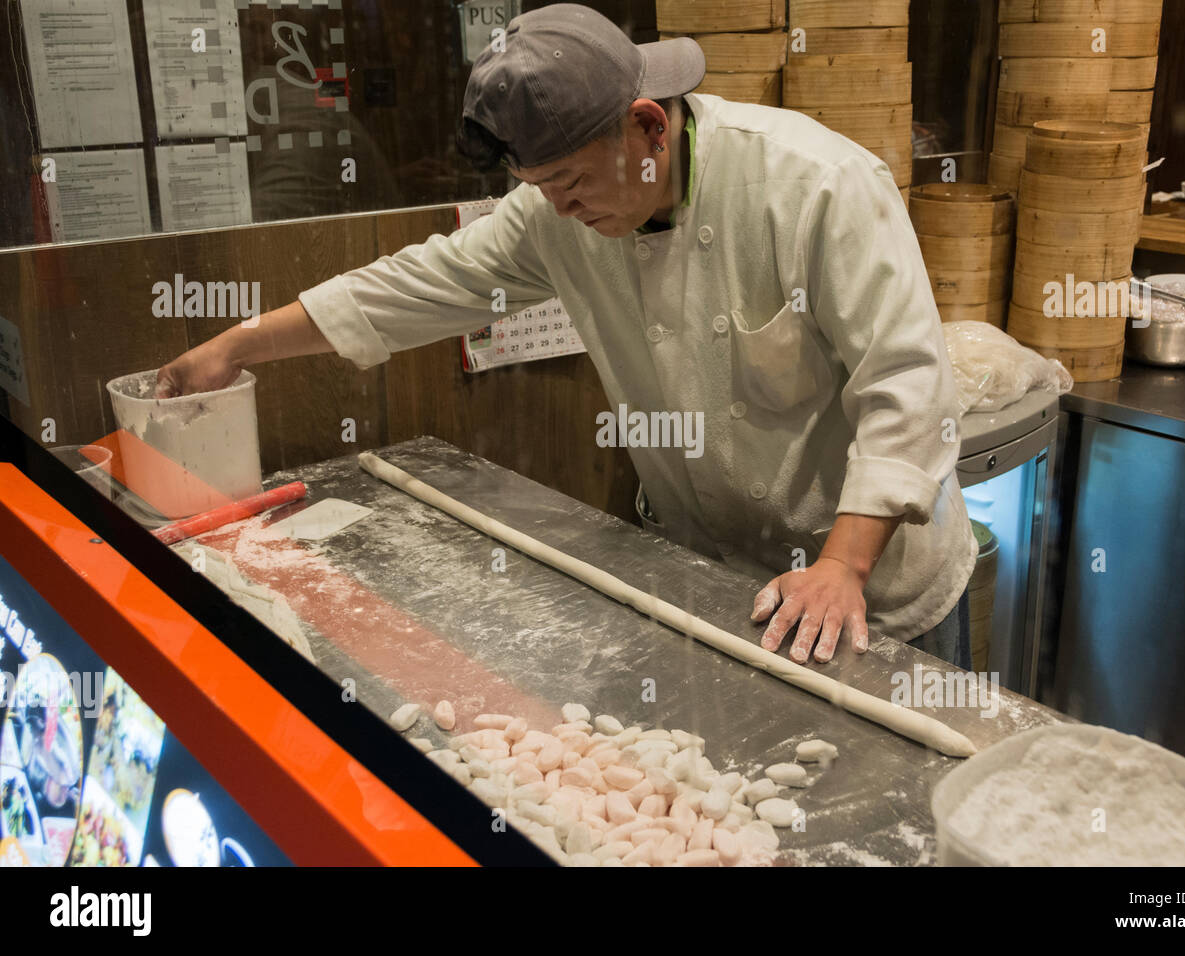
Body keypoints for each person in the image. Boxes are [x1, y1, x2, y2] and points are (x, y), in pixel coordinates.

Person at [159, 5, 977, 669]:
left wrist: (842, 565)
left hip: (870, 588)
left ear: (650, 127)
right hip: (719, 575)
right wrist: (237, 345)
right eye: (536, 187)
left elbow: (907, 386)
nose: (557, 210)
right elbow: (418, 285)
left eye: (571, 182)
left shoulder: (816, 186)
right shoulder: (559, 214)